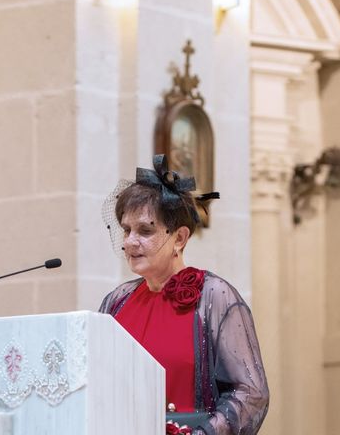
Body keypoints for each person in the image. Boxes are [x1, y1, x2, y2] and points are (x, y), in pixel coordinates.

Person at [99, 155, 269, 435]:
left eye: (145, 230)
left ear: (179, 238)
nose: (130, 241)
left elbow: (250, 392)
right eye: (127, 230)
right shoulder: (116, 302)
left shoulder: (215, 296)